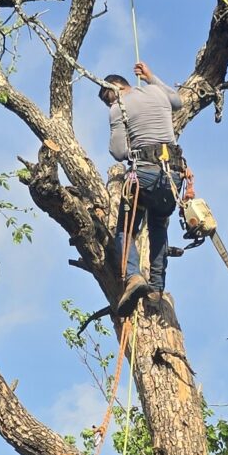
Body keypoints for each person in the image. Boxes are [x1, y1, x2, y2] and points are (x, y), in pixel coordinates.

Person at [97, 61, 190, 296]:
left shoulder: (118, 108)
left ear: (114, 89)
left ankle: (133, 276)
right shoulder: (156, 90)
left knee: (124, 229)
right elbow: (178, 102)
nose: (110, 103)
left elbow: (118, 152)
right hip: (173, 176)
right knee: (158, 224)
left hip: (145, 173)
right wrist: (150, 76)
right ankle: (157, 288)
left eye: (108, 98)